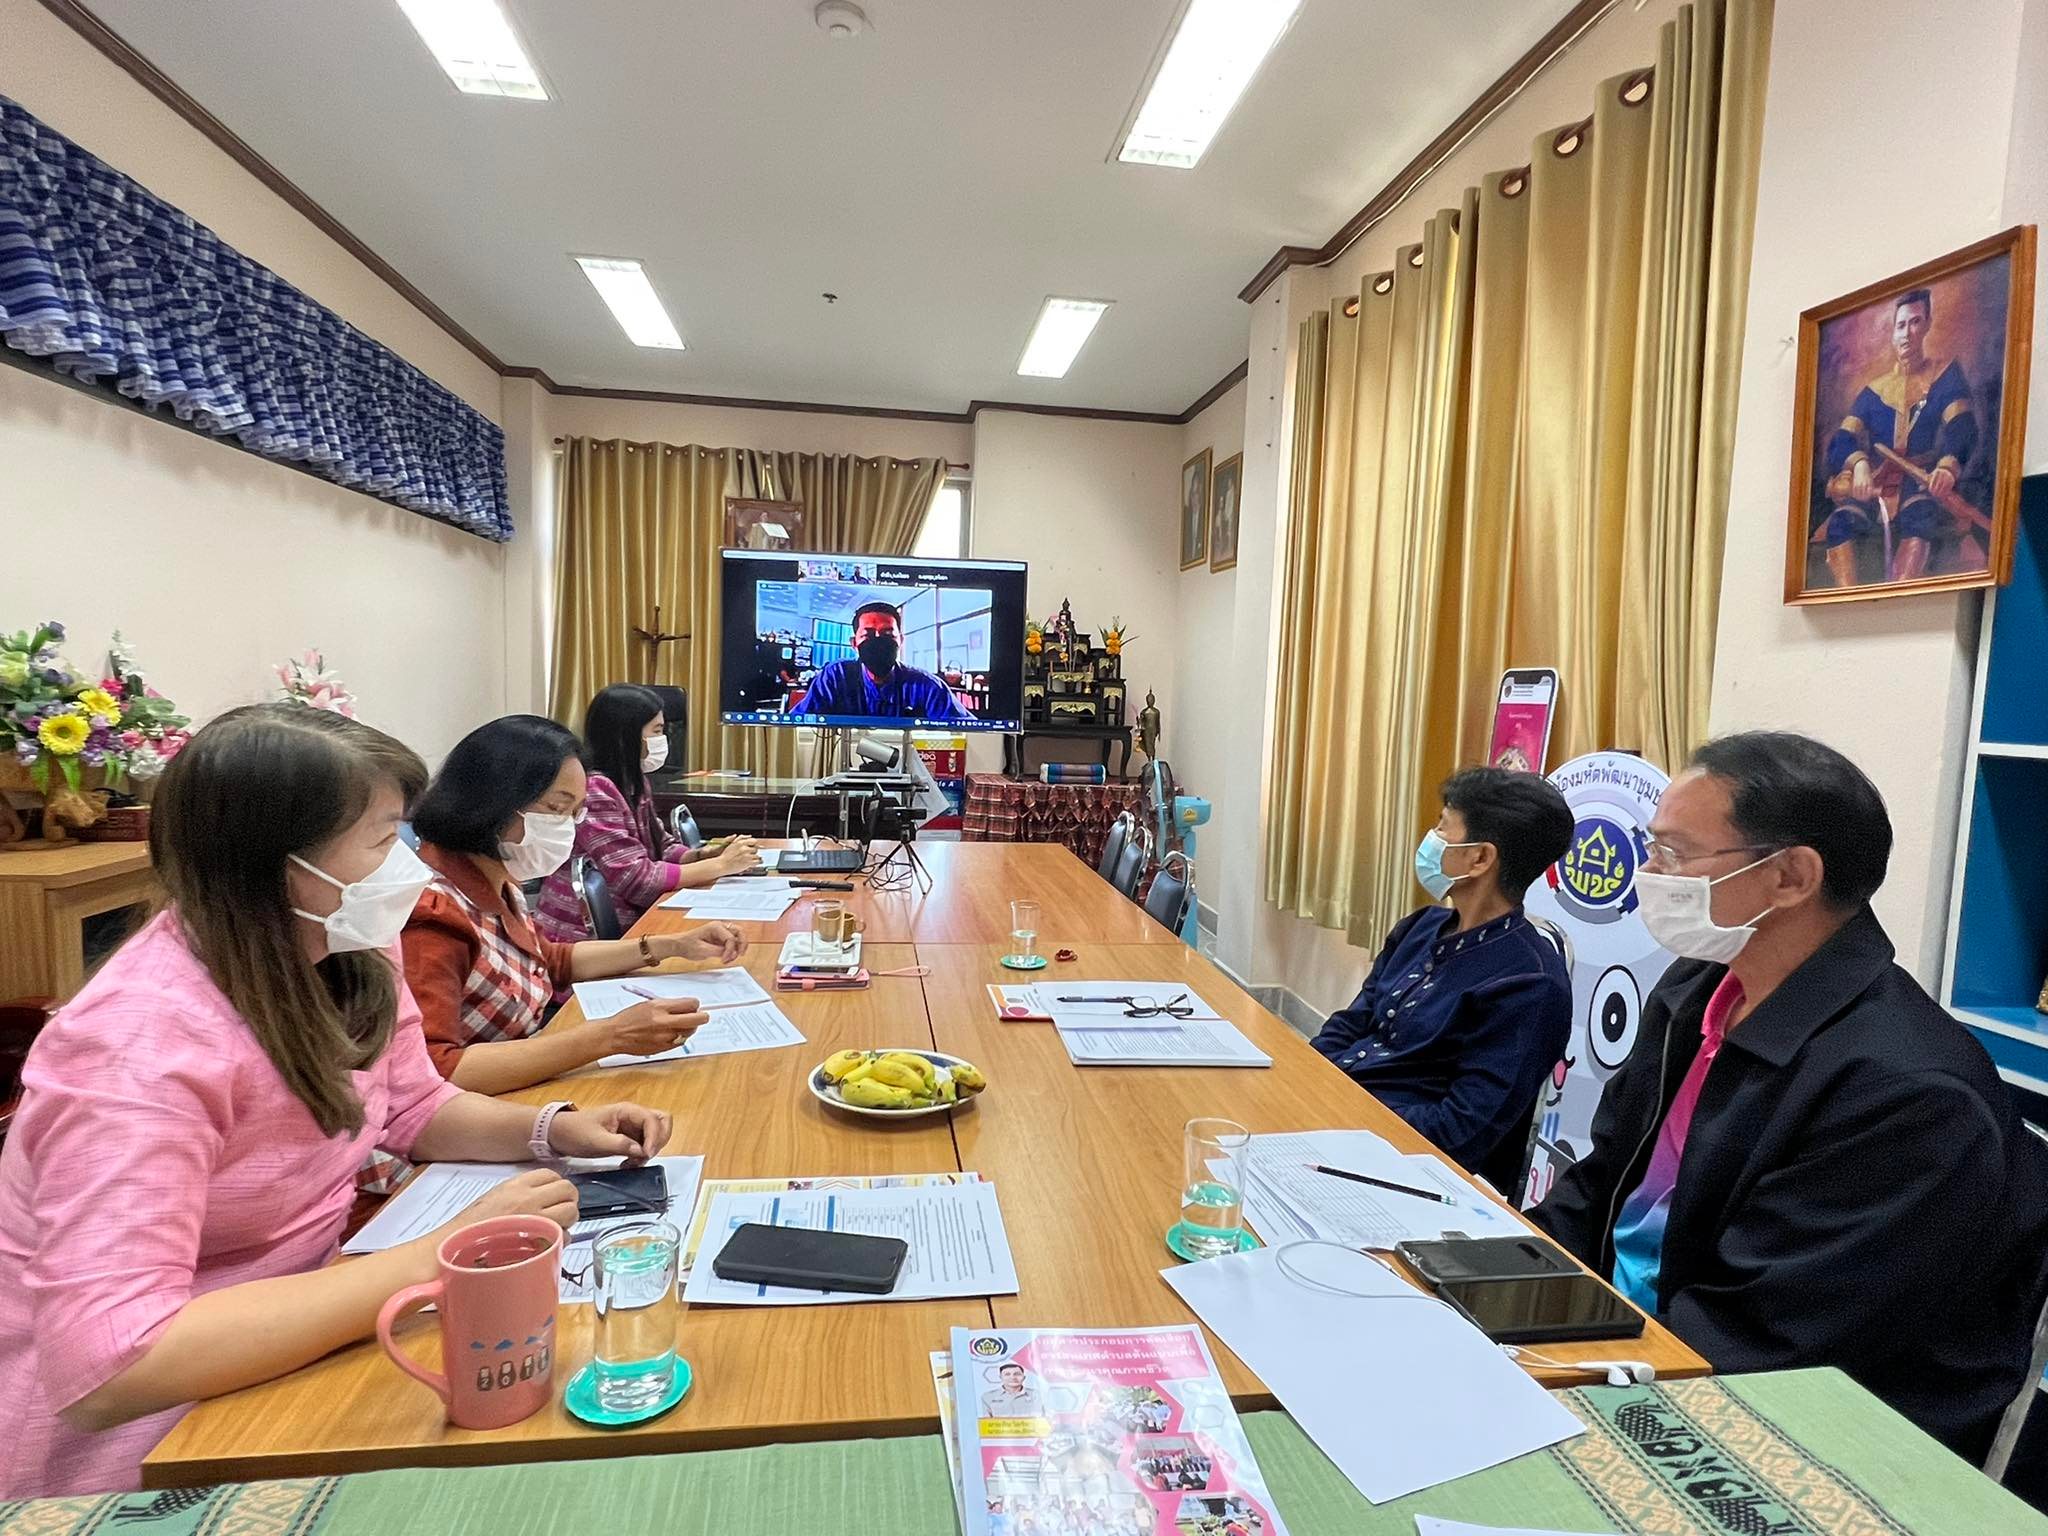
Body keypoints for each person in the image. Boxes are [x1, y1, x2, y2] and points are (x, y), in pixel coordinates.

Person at [0, 704, 673, 1497]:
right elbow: (113, 1363)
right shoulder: (137, 1043)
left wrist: (554, 1130)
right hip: (158, 1437)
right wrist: (432, 1258)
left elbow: (414, 1104)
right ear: (275, 861)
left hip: (312, 1326)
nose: (409, 867)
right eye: (384, 841)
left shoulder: (349, 943)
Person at [1534, 731, 2048, 1458]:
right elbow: (1600, 1181)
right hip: (1628, 1341)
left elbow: (1761, 1345)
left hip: (1788, 1427)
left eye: (1674, 854)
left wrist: (1550, 1372)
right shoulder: (1698, 989)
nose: (1647, 874)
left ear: (1790, 877)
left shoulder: (1908, 1096)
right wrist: (1504, 1285)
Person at [403, 715, 749, 1093]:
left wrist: (673, 945)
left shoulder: (495, 876)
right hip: (483, 1102)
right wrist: (610, 1036)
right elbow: (433, 1070)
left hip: (530, 1061)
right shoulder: (433, 914)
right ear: (492, 801)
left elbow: (550, 960)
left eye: (576, 813)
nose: (569, 827)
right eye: (557, 808)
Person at [1311, 767, 1575, 1182]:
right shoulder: (1420, 927)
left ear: (1481, 858)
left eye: (1442, 826)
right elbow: (1353, 1021)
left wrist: (1345, 1112)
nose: (1431, 839)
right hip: (1330, 1117)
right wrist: (1305, 1077)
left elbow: (1459, 1131)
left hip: (1396, 1164)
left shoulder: (1530, 985)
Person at [537, 685, 759, 941]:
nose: (664, 739)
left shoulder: (633, 782)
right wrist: (720, 865)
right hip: (579, 939)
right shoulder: (595, 790)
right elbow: (638, 880)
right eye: (657, 731)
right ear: (626, 735)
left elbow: (662, 847)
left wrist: (705, 854)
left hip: (635, 923)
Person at [1815, 288, 1986, 587]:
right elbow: (1842, 439)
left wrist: (1947, 468)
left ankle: (1902, 594)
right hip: (1876, 485)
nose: (1907, 333)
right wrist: (1859, 465)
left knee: (1921, 516)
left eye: (1915, 322)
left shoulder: (1946, 376)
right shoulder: (1873, 390)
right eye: (1901, 325)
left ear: (1927, 324)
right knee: (1842, 522)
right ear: (1893, 332)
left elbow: (1962, 428)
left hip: (1920, 481)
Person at [790, 600, 970, 721]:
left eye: (887, 634)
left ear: (901, 641)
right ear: (854, 643)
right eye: (868, 635)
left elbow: (969, 730)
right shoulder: (836, 677)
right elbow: (796, 722)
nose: (878, 642)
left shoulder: (927, 686)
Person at [980, 1361, 1045, 1418]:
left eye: (1017, 1374)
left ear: (1024, 1377)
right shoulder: (988, 1397)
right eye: (1007, 1374)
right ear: (1000, 1377)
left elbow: (1043, 1420)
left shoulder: (1037, 1395)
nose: (1013, 1377)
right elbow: (986, 1423)